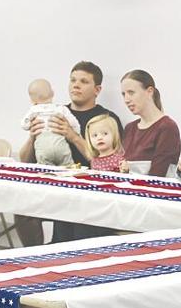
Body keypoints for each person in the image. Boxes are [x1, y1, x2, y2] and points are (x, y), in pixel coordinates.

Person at [15, 61, 121, 245]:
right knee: (21, 209)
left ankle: (67, 255)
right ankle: (37, 258)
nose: (76, 85)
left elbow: (108, 161)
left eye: (83, 81)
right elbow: (25, 160)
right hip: (54, 185)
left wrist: (73, 136)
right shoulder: (55, 112)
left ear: (97, 90)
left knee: (77, 210)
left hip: (88, 191)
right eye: (72, 80)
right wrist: (33, 137)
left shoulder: (106, 120)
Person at [118, 69, 181, 177]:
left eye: (131, 93)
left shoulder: (167, 127)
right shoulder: (130, 128)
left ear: (149, 91)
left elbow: (158, 175)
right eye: (123, 94)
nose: (126, 99)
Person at [20, 78, 79, 167]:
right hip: (60, 147)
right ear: (52, 93)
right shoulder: (60, 108)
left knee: (45, 168)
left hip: (43, 150)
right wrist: (76, 132)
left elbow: (24, 125)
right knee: (68, 166)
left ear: (32, 100)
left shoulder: (33, 110)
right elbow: (74, 123)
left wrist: (30, 125)